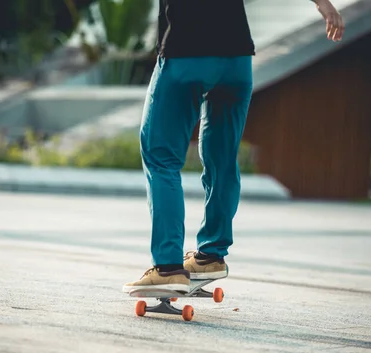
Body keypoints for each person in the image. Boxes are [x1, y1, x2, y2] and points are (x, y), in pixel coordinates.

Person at [123, 0, 345, 293]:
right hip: (236, 59)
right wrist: (324, 5)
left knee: (161, 156)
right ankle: (210, 256)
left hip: (185, 53)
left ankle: (167, 268)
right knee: (222, 158)